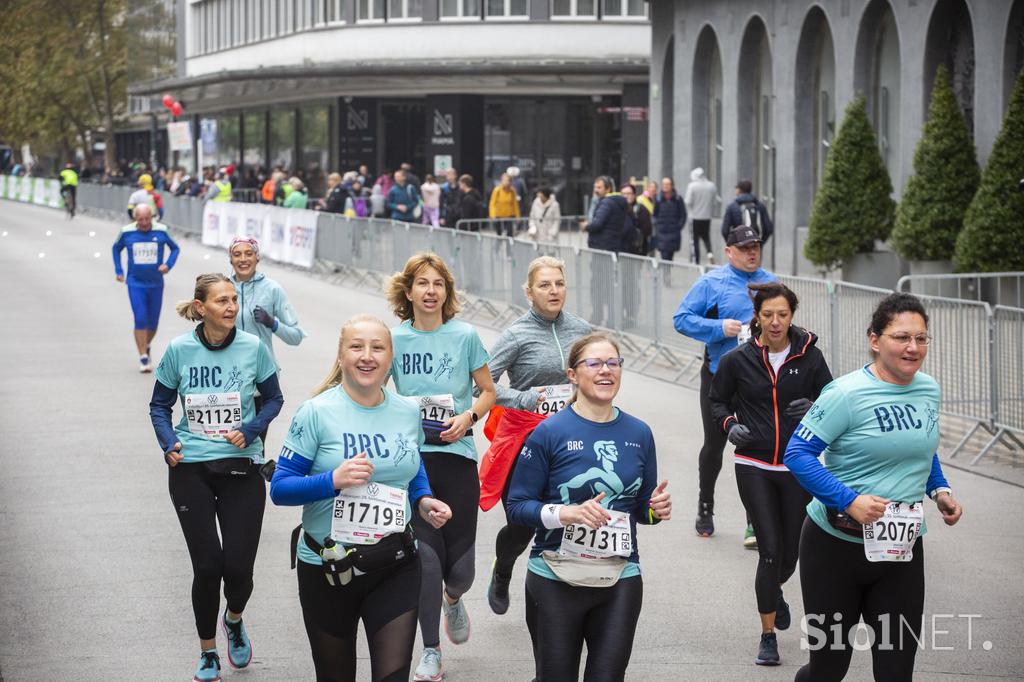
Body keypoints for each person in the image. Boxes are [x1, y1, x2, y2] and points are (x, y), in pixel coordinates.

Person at [784, 292, 963, 681]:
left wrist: (940, 490)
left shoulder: (928, 390)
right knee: (828, 669)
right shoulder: (845, 394)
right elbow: (797, 453)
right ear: (875, 340)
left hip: (900, 553)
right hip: (834, 549)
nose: (912, 347)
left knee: (897, 671)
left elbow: (920, 445)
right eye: (902, 337)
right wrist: (849, 501)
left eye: (921, 338)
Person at [270, 314, 453, 682]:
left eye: (377, 348)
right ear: (341, 357)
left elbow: (410, 462)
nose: (367, 356)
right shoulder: (316, 413)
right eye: (357, 347)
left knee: (393, 675)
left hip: (395, 563)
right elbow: (280, 488)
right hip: (328, 567)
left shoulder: (407, 411)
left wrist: (422, 498)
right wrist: (332, 481)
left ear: (391, 359)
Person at [507, 333, 672, 682]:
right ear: (572, 375)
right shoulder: (549, 433)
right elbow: (517, 506)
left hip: (620, 575)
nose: (605, 371)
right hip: (555, 573)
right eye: (594, 363)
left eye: (613, 363)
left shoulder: (639, 433)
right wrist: (564, 514)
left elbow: (642, 508)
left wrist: (655, 508)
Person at [149, 273, 284, 682]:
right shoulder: (178, 350)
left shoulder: (253, 348)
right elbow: (159, 406)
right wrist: (168, 442)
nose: (231, 307)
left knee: (239, 570)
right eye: (221, 301)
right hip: (191, 469)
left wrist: (254, 426)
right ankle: (208, 652)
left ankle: (234, 618)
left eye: (233, 300)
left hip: (241, 469)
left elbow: (274, 398)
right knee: (208, 566)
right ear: (200, 306)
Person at [384, 253, 497, 681]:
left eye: (439, 284)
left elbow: (487, 391)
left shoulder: (465, 335)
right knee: (425, 559)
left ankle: (454, 598)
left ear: (447, 292)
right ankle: (430, 651)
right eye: (423, 283)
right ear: (408, 290)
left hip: (458, 458)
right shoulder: (393, 339)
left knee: (461, 571)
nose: (431, 291)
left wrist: (468, 417)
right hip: (413, 464)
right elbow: (374, 390)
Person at [709, 282, 833, 666]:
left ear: (791, 315)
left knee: (791, 555)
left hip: (799, 464)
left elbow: (833, 399)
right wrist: (730, 425)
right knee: (770, 551)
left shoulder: (811, 357)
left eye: (782, 314)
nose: (775, 322)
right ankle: (767, 637)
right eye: (767, 315)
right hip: (755, 464)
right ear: (757, 317)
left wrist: (814, 405)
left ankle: (774, 592)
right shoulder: (737, 360)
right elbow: (717, 401)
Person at [481, 256, 593, 617]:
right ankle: (503, 569)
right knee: (522, 524)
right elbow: (482, 384)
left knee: (566, 517)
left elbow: (597, 373)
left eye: (559, 283)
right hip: (524, 442)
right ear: (529, 292)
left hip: (571, 439)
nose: (554, 290)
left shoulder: (581, 330)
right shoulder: (516, 335)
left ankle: (555, 600)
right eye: (545, 285)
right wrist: (525, 398)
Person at [673, 225, 776, 540]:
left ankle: (753, 519)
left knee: (756, 447)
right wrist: (720, 328)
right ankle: (705, 504)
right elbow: (682, 318)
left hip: (759, 379)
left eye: (756, 246)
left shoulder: (770, 283)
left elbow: (784, 322)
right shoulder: (712, 282)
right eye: (744, 248)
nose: (751, 252)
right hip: (720, 377)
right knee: (715, 446)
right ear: (729, 251)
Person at [112, 203, 181, 372]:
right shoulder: (127, 232)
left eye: (147, 219)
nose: (144, 223)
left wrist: (168, 265)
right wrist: (119, 270)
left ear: (152, 217)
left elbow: (175, 248)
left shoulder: (161, 230)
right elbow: (116, 248)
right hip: (135, 283)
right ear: (135, 218)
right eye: (140, 219)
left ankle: (146, 344)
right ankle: (143, 356)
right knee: (140, 317)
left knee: (153, 322)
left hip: (156, 283)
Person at [585, 176, 629, 327]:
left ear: (608, 189)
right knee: (609, 286)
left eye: (599, 188)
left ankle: (598, 318)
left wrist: (586, 226)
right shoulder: (618, 202)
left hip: (602, 250)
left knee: (599, 286)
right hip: (611, 248)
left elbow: (597, 224)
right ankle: (610, 319)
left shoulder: (607, 203)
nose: (596, 191)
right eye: (595, 187)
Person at [721, 179, 774, 243]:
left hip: (739, 244)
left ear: (739, 190)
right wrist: (760, 244)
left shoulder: (732, 206)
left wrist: (732, 245)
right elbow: (769, 229)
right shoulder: (760, 206)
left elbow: (725, 230)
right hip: (755, 244)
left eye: (737, 188)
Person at [684, 167, 718, 265]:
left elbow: (688, 201)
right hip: (707, 217)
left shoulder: (692, 186)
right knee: (706, 237)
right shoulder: (711, 186)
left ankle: (696, 261)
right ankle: (710, 253)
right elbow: (715, 201)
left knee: (694, 241)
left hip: (694, 217)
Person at [653, 176, 687, 261]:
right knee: (664, 256)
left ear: (672, 185)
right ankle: (665, 274)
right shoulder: (658, 199)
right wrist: (657, 224)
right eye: (664, 184)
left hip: (673, 232)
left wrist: (678, 226)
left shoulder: (678, 199)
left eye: (667, 184)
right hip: (662, 232)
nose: (665, 186)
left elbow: (683, 214)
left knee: (669, 257)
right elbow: (654, 214)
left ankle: (666, 273)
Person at [620, 184, 650, 256]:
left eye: (629, 193)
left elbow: (647, 229)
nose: (626, 196)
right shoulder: (618, 208)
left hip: (636, 250)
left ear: (634, 195)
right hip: (620, 248)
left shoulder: (641, 209)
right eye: (623, 194)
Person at [489, 172, 521, 237]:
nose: (507, 182)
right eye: (505, 180)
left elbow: (515, 204)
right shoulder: (497, 190)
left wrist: (518, 216)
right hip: (498, 215)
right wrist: (492, 215)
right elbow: (492, 203)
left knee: (510, 234)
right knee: (499, 235)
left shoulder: (512, 191)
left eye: (508, 180)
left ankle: (509, 247)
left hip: (509, 215)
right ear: (501, 181)